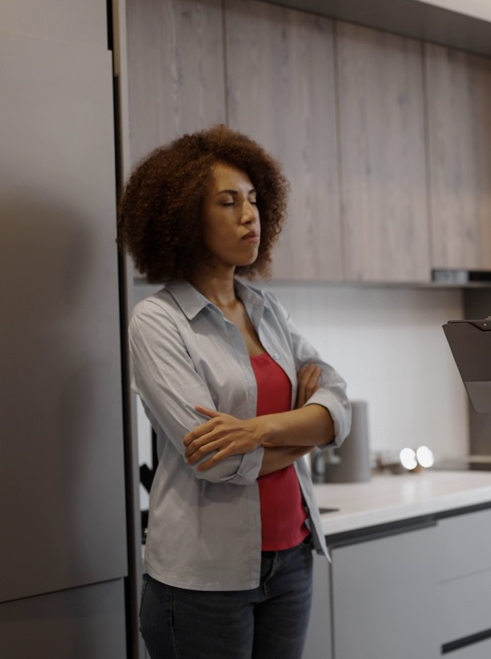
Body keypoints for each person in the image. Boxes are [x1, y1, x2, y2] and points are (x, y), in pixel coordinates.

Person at [118, 125, 350, 659]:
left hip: (291, 557)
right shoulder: (157, 321)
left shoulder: (266, 308)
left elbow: (336, 405)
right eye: (228, 202)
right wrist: (304, 432)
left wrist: (256, 430)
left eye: (253, 199)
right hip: (204, 579)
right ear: (183, 218)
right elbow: (217, 463)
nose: (251, 215)